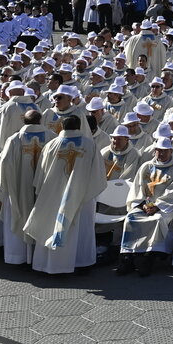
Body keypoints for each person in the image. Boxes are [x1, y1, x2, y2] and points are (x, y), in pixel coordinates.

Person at [22, 114, 106, 274]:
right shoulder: (90, 145)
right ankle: (80, 263)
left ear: (62, 126)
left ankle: (48, 265)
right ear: (80, 127)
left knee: (51, 225)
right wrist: (88, 192)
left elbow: (41, 173)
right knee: (80, 229)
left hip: (53, 194)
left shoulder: (52, 145)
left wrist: (43, 190)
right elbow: (98, 175)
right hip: (82, 196)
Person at [0, 109, 53, 264]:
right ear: (40, 121)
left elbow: (4, 168)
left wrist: (0, 196)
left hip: (17, 192)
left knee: (13, 217)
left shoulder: (15, 140)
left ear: (24, 121)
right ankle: (37, 259)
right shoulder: (51, 137)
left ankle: (18, 257)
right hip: (43, 192)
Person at [118, 136, 173, 276]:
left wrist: (157, 206)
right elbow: (137, 188)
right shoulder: (146, 166)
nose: (161, 154)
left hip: (164, 207)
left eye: (164, 151)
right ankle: (128, 256)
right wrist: (142, 204)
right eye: (158, 150)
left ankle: (148, 257)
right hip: (144, 205)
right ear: (154, 150)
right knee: (130, 218)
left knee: (156, 220)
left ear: (171, 151)